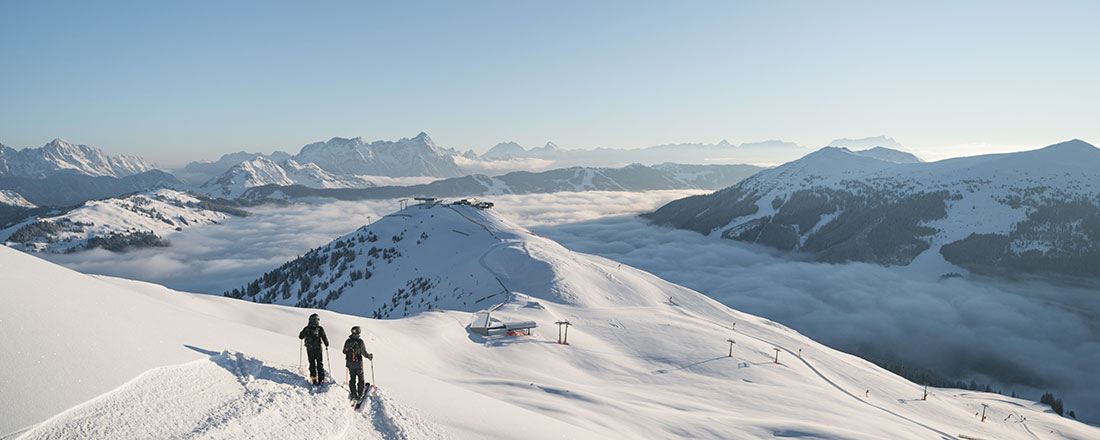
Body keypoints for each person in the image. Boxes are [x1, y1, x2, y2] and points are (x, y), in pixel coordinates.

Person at [343, 326, 373, 400]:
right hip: (358, 363)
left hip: (350, 363)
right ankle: (360, 394)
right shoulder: (360, 341)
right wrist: (369, 356)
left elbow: (344, 351)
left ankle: (353, 394)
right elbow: (364, 353)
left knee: (352, 378)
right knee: (360, 378)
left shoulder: (348, 341)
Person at [298, 313, 329, 385]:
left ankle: (313, 379)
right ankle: (321, 379)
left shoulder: (306, 328)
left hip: (309, 349)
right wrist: (326, 344)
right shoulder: (319, 328)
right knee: (319, 363)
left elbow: (300, 337)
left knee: (312, 363)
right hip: (318, 348)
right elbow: (324, 337)